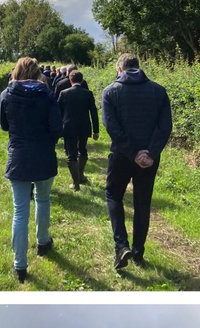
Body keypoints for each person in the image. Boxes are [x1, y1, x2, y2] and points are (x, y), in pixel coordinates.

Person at [101, 54, 173, 270]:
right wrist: (149, 153)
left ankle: (121, 246)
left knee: (113, 196)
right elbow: (165, 126)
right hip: (149, 160)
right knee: (142, 203)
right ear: (138, 67)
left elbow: (112, 127)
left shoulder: (110, 92)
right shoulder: (158, 91)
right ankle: (139, 252)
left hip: (122, 155)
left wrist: (133, 153)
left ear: (119, 69)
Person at [0, 56, 62, 283]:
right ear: (37, 73)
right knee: (43, 200)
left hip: (19, 157)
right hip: (43, 154)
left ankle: (20, 263)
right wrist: (47, 142)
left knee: (20, 210)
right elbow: (57, 127)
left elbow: (4, 125)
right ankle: (43, 241)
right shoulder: (47, 95)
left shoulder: (7, 95)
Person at [57, 69, 99, 191]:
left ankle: (76, 184)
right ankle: (81, 175)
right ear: (82, 80)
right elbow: (94, 112)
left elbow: (58, 112)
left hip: (68, 127)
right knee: (83, 150)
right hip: (84, 126)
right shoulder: (88, 93)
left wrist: (58, 128)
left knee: (72, 155)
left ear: (70, 80)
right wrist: (96, 130)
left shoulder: (64, 93)